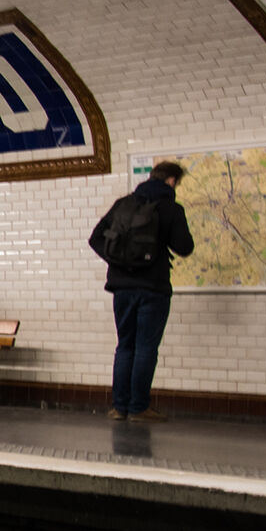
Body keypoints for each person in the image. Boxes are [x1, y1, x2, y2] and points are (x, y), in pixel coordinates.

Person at [91, 161, 195, 422]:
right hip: (153, 288)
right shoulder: (170, 208)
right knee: (146, 348)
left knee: (125, 345)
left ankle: (119, 407)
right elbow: (184, 247)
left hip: (121, 289)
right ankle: (138, 408)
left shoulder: (123, 204)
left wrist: (119, 261)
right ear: (171, 181)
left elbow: (96, 238)